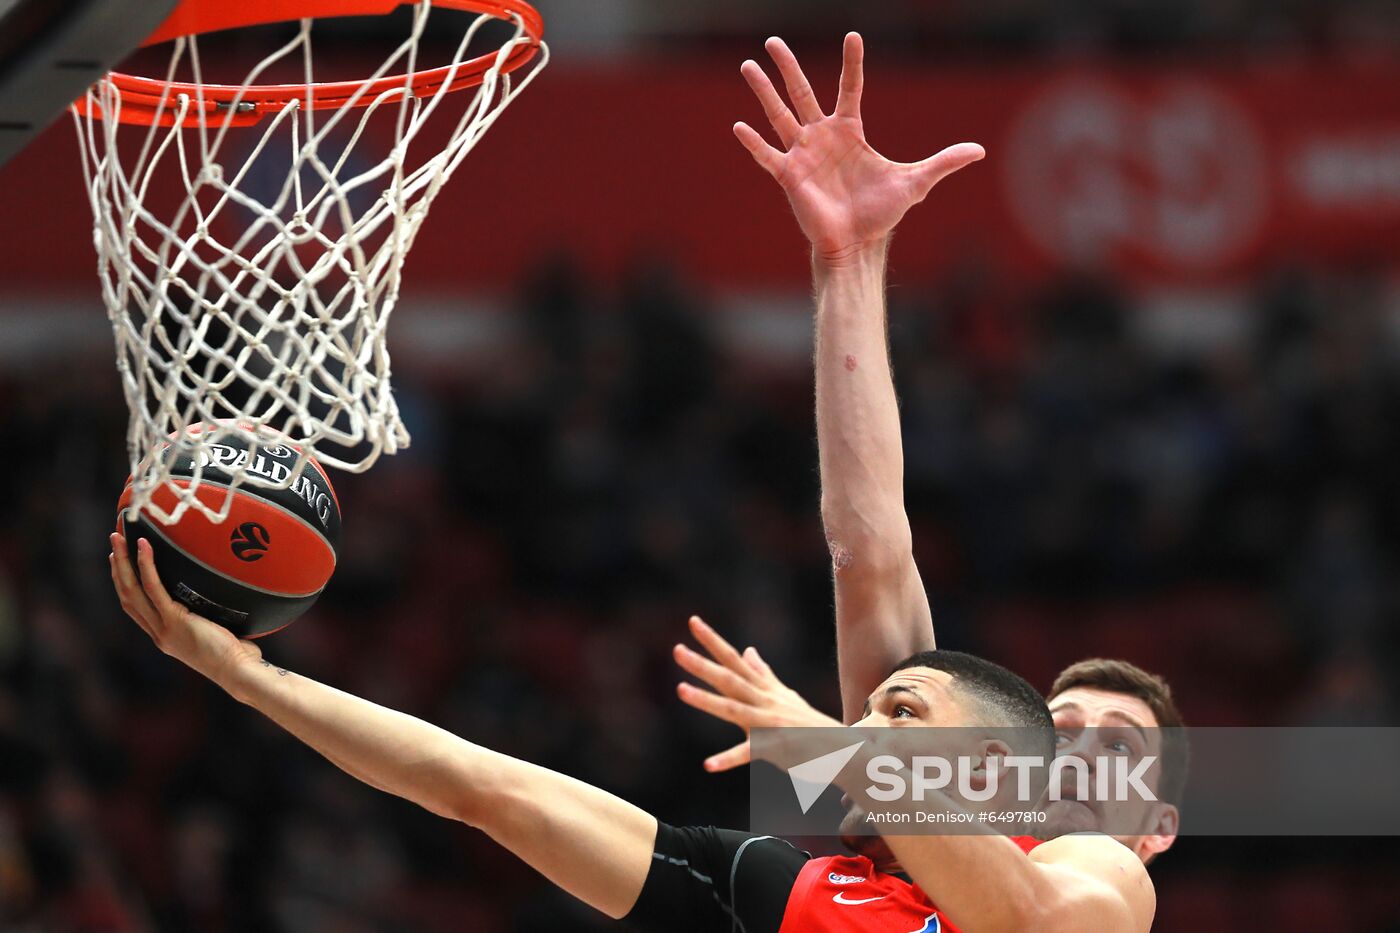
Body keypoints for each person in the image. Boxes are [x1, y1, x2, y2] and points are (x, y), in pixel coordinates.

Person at [109, 532, 1153, 931]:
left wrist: (827, 744)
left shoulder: (1094, 874)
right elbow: (483, 788)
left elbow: (1018, 924)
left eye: (901, 715)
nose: (862, 729)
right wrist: (251, 681)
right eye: (864, 715)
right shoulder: (780, 890)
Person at [732, 32, 1182, 862]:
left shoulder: (1098, 902)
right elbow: (868, 546)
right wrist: (848, 261)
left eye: (1117, 748)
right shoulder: (925, 822)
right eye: (1062, 731)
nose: (1078, 755)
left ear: (1158, 828)